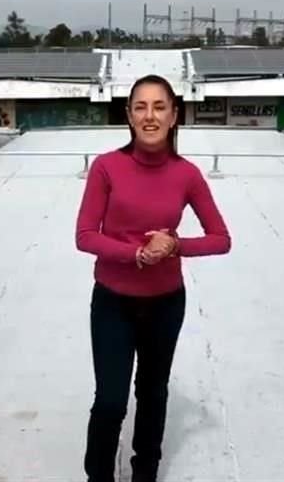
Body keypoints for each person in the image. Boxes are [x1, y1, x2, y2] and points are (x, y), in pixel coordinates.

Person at [75, 74, 232, 482]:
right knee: (110, 401)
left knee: (152, 394)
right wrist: (136, 254)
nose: (150, 116)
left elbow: (221, 239)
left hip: (165, 304)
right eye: (140, 107)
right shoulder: (107, 167)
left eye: (159, 107)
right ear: (128, 115)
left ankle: (145, 473)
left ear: (174, 115)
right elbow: (85, 236)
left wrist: (176, 245)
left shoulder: (188, 175)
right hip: (113, 302)